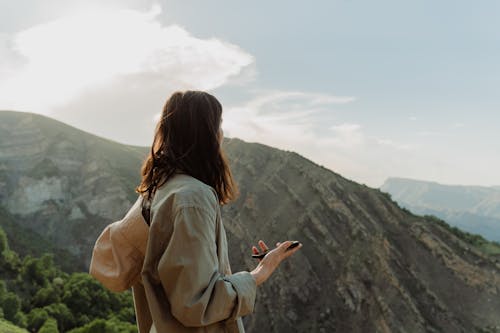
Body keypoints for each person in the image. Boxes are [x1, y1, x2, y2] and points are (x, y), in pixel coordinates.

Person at [132, 90, 302, 333]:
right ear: (205, 135)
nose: (222, 134)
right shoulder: (192, 199)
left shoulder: (159, 188)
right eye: (218, 125)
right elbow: (196, 303)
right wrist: (260, 273)